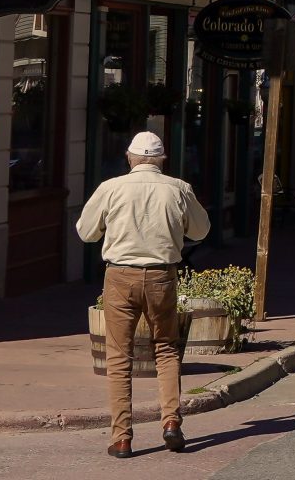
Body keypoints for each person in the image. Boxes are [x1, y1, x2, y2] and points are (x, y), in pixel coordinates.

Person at [77, 131, 210, 459]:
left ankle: (122, 437)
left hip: (120, 274)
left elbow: (86, 231)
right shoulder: (178, 188)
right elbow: (200, 230)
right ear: (161, 160)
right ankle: (171, 422)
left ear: (130, 157)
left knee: (120, 356)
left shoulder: (111, 188)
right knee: (166, 348)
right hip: (162, 274)